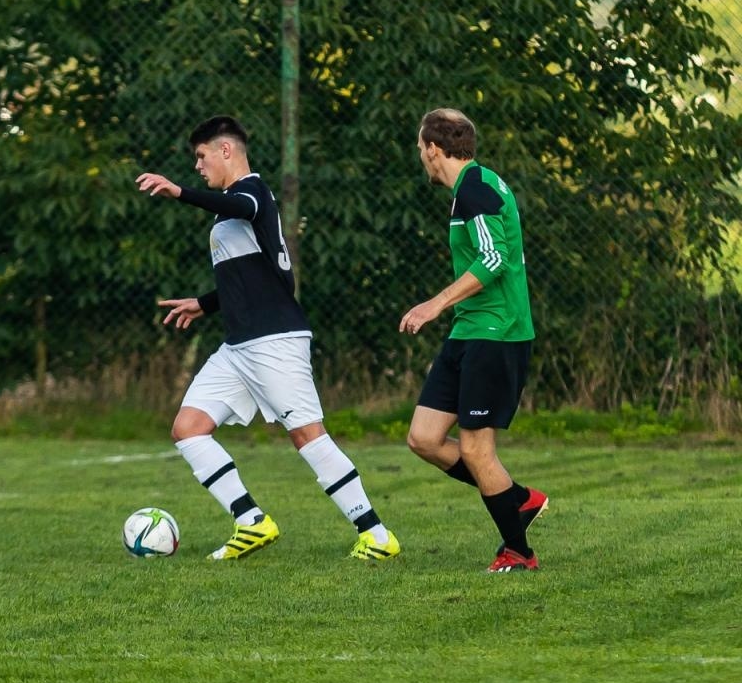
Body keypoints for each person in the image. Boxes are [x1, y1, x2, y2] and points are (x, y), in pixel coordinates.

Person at [137, 116, 400, 562]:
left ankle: (376, 535)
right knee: (188, 428)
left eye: (201, 156)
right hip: (239, 346)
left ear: (225, 151)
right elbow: (261, 278)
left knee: (308, 436)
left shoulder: (253, 192)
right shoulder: (231, 207)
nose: (197, 166)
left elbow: (244, 211)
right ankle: (251, 522)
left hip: (275, 341)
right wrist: (205, 303)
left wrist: (179, 192)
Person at [400, 108, 548, 573]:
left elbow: (494, 258)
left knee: (476, 450)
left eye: (420, 148)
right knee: (424, 438)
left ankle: (518, 552)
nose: (420, 156)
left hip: (496, 332)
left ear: (433, 149)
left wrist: (435, 303)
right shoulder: (470, 187)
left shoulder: (476, 189)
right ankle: (517, 498)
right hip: (469, 330)